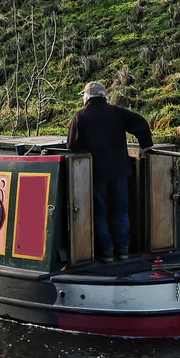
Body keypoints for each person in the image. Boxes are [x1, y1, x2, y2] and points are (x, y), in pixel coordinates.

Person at [66, 81, 153, 261]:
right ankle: (123, 250)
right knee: (121, 212)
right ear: (104, 97)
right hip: (120, 171)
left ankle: (106, 252)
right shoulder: (117, 112)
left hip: (97, 173)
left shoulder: (80, 117)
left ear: (87, 97)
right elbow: (141, 123)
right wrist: (145, 146)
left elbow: (73, 145)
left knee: (100, 212)